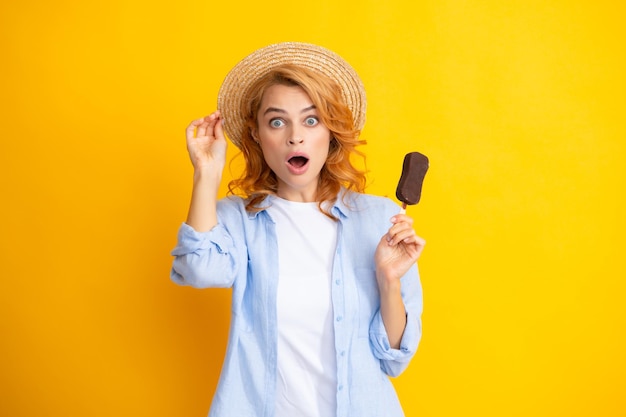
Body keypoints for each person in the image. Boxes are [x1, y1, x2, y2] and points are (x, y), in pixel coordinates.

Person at [171, 42, 426, 417]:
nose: (295, 136)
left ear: (331, 130)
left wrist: (388, 279)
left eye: (311, 120)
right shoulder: (238, 220)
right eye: (277, 121)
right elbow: (199, 269)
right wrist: (206, 174)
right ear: (257, 134)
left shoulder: (380, 220)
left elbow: (393, 357)